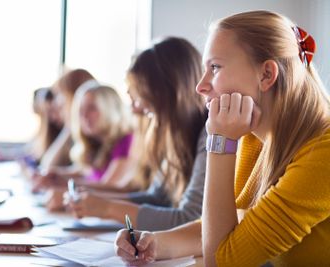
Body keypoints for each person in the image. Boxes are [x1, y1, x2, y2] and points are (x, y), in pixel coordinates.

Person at [115, 10, 330, 267]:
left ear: (266, 75)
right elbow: (231, 228)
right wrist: (155, 242)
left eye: (214, 67)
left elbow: (222, 260)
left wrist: (219, 142)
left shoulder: (323, 155)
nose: (200, 86)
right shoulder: (255, 140)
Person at [67, 37, 208, 231]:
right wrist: (95, 201)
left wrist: (107, 208)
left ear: (164, 93)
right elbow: (157, 198)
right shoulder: (174, 136)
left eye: (140, 97)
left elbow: (190, 219)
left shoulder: (209, 135)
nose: (135, 109)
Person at [34, 81, 135, 210]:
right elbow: (84, 174)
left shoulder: (126, 140)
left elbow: (111, 187)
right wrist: (56, 176)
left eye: (92, 108)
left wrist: (67, 189)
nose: (84, 116)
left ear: (109, 109)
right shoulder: (97, 145)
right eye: (81, 110)